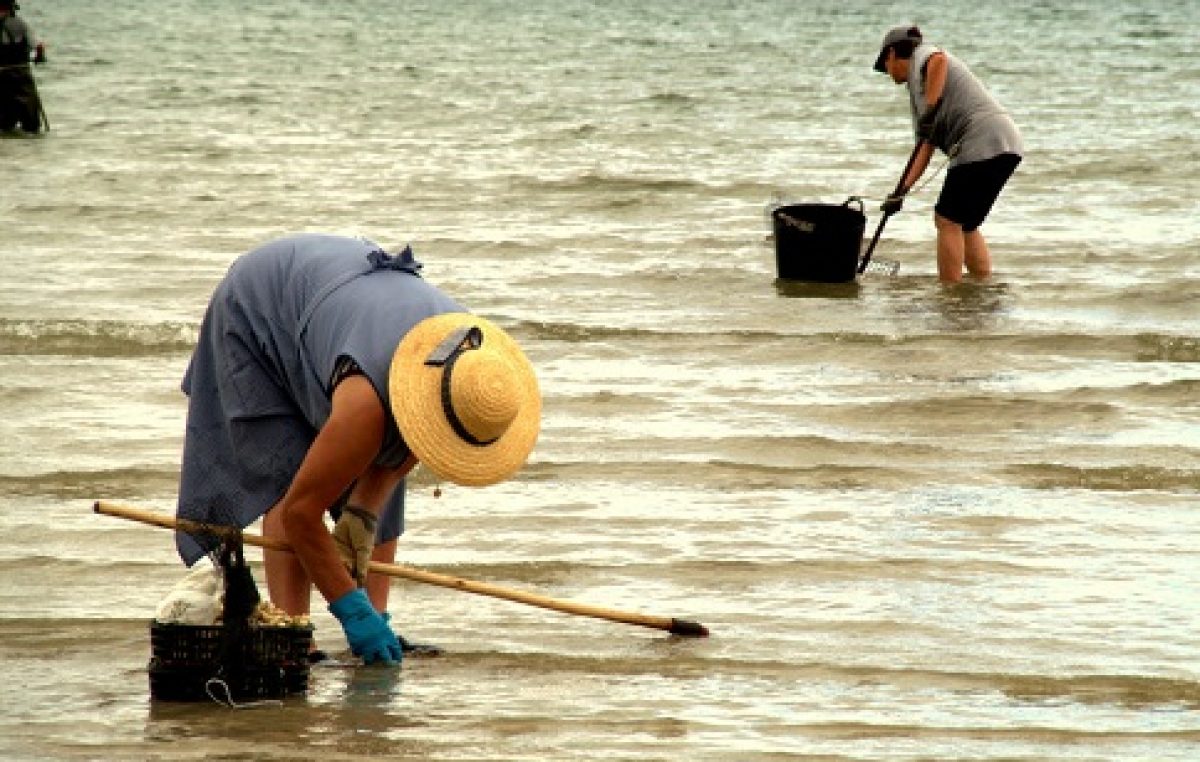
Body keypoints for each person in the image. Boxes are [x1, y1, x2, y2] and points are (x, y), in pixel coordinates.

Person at [174, 233, 542, 666]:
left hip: (345, 305)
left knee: (380, 477)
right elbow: (299, 513)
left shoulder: (469, 364)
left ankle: (378, 621)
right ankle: (297, 640)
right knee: (292, 479)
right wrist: (351, 610)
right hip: (265, 304)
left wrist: (364, 513)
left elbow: (409, 445)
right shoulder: (367, 407)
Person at [873, 25, 1023, 282]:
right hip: (1006, 142)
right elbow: (925, 147)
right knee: (966, 224)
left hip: (980, 138)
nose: (887, 73)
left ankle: (950, 294)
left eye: (885, 66)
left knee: (947, 220)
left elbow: (938, 60)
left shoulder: (921, 56)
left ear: (891, 55)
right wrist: (901, 192)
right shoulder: (917, 90)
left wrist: (932, 108)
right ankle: (981, 286)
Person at [0, 0, 46, 134]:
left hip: (3, 76)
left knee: (4, 123)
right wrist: (39, 57)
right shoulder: (21, 24)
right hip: (21, 74)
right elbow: (39, 46)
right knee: (31, 122)